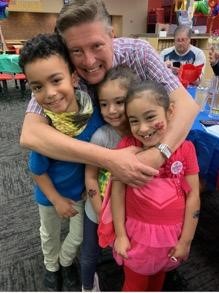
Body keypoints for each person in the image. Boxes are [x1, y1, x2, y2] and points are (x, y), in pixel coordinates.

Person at [20, 0, 199, 192]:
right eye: (77, 51)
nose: (89, 61)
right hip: (88, 183)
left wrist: (157, 155)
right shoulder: (64, 73)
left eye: (97, 45)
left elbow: (186, 105)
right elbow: (31, 134)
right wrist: (111, 159)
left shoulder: (139, 53)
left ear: (112, 35)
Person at [19, 33, 104, 291]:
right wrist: (56, 200)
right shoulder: (45, 129)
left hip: (79, 194)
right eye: (37, 87)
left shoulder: (93, 116)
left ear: (74, 78)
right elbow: (37, 171)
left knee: (77, 237)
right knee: (50, 234)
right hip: (49, 197)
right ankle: (51, 266)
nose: (50, 94)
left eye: (56, 80)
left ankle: (66, 262)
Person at [98, 80, 200, 291]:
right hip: (137, 238)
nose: (143, 128)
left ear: (170, 111)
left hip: (171, 240)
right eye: (134, 121)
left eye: (151, 117)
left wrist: (186, 241)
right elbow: (117, 193)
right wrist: (121, 235)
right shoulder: (127, 147)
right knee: (135, 286)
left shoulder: (186, 149)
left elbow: (193, 196)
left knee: (157, 282)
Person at [81, 65, 138, 291]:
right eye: (104, 104)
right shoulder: (101, 137)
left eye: (119, 102)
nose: (111, 110)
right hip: (97, 209)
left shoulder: (142, 135)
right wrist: (99, 212)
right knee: (89, 253)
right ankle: (87, 286)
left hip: (129, 210)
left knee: (129, 249)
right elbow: (91, 177)